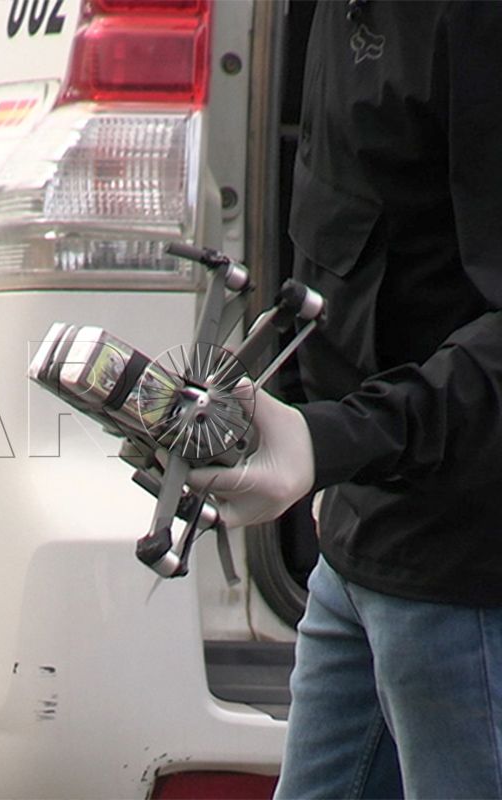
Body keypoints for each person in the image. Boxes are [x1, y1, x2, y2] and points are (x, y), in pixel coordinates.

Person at [188, 1, 502, 797]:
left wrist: (332, 443)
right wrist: (307, 429)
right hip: (362, 539)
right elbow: (336, 221)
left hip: (467, 574)